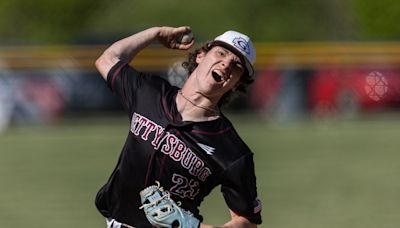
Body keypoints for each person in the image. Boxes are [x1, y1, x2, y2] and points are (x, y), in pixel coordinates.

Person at [95, 26, 262, 228]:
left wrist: (192, 227)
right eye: (221, 52)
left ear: (236, 83)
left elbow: (247, 222)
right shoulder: (149, 93)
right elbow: (107, 59)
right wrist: (155, 34)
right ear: (201, 55)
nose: (226, 63)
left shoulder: (232, 150)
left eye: (237, 66)